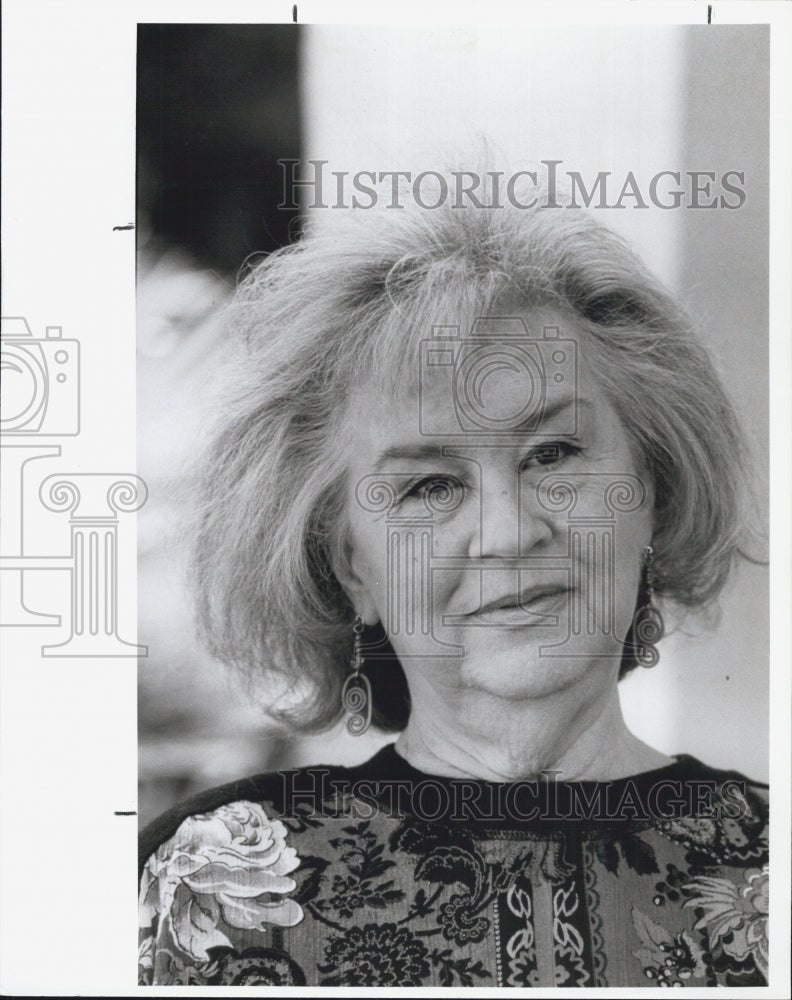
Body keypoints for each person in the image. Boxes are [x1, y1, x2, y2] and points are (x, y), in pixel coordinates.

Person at [138, 176, 768, 988]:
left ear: (654, 491)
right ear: (348, 564)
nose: (507, 533)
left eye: (554, 455)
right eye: (428, 486)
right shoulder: (209, 886)